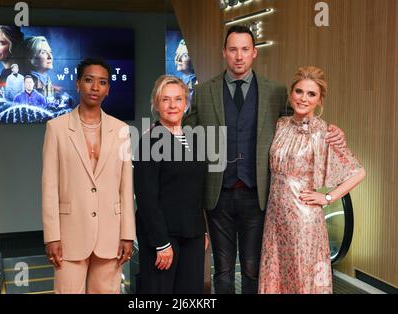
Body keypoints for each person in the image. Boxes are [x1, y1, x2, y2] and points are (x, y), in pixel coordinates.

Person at [182, 25, 346, 294]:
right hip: (217, 195)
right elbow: (186, 130)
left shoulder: (276, 91)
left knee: (253, 268)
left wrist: (331, 129)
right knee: (222, 269)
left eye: (245, 49)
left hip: (259, 195)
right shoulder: (204, 92)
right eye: (233, 49)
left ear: (254, 53)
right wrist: (159, 129)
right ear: (224, 52)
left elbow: (298, 121)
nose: (239, 56)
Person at [258, 66, 366, 294]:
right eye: (299, 91)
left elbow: (358, 172)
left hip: (304, 221)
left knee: (302, 279)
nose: (303, 98)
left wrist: (327, 197)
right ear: (290, 93)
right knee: (276, 276)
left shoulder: (324, 132)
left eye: (311, 94)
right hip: (275, 220)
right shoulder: (281, 125)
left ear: (320, 100)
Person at [41, 57, 135, 294]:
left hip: (110, 234)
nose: (95, 87)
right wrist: (51, 236)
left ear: (108, 89)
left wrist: (127, 235)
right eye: (89, 80)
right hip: (70, 234)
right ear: (78, 84)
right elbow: (49, 186)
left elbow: (126, 186)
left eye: (102, 82)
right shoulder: (57, 128)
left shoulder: (121, 130)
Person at [133, 75, 209, 294]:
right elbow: (146, 197)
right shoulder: (149, 141)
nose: (173, 105)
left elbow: (197, 191)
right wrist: (161, 243)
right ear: (156, 104)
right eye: (166, 99)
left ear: (186, 104)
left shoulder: (194, 139)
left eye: (178, 99)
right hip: (163, 238)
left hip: (192, 234)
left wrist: (202, 231)